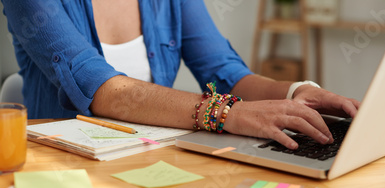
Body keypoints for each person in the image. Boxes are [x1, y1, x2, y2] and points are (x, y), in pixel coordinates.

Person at [2, 0, 359, 150]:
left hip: (145, 162)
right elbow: (101, 88)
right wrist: (227, 113)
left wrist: (297, 91)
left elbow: (223, 71)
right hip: (59, 175)